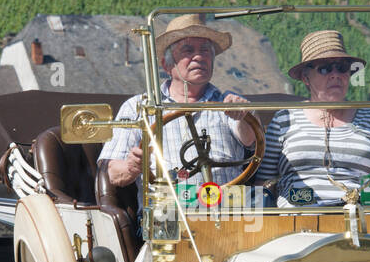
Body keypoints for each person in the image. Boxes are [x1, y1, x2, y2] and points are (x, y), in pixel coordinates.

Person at [100, 14, 256, 192]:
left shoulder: (228, 102)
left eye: (205, 50)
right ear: (167, 65)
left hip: (230, 207)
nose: (199, 57)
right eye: (188, 50)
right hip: (170, 209)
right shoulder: (140, 107)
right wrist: (132, 166)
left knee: (263, 205)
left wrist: (244, 115)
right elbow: (113, 173)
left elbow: (250, 139)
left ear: (212, 60)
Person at [256, 30, 370, 207]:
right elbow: (263, 183)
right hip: (297, 222)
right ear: (305, 78)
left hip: (363, 222)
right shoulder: (284, 119)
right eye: (325, 68)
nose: (335, 75)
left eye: (342, 68)